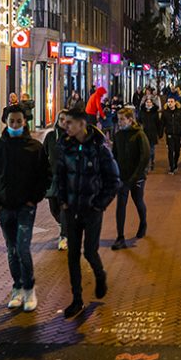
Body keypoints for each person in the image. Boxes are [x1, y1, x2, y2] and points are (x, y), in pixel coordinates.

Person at [51, 109, 121, 319]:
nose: (66, 126)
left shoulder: (99, 148)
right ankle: (77, 299)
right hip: (71, 210)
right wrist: (63, 201)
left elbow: (114, 180)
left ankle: (100, 276)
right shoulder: (65, 145)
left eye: (70, 123)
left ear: (82, 124)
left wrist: (99, 204)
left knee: (90, 252)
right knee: (73, 255)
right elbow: (60, 175)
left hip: (92, 210)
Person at [0, 105, 48, 312]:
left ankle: (29, 288)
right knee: (11, 250)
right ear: (5, 121)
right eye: (11, 121)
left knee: (22, 247)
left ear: (25, 122)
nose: (15, 125)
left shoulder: (35, 147)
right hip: (4, 206)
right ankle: (17, 287)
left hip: (25, 207)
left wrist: (33, 199)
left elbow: (44, 176)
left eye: (19, 121)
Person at [112, 107, 150, 250]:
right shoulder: (118, 136)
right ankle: (120, 237)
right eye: (118, 119)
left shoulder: (139, 135)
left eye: (122, 119)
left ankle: (143, 222)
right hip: (122, 177)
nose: (119, 122)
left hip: (137, 177)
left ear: (130, 119)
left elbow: (144, 157)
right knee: (120, 205)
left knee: (138, 201)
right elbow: (115, 155)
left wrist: (136, 176)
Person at [42, 111, 70, 251]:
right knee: (54, 209)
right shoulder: (51, 137)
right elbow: (43, 155)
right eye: (61, 119)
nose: (64, 122)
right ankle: (66, 225)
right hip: (52, 178)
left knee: (64, 207)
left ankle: (64, 236)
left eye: (66, 120)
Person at [161, 96, 181, 174]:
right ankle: (171, 167)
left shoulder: (180, 112)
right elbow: (162, 124)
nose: (170, 103)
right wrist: (161, 133)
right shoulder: (165, 112)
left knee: (177, 151)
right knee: (170, 151)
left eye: (171, 101)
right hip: (169, 135)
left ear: (175, 102)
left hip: (178, 135)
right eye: (168, 102)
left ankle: (175, 163)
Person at [139, 95, 161, 171]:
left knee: (151, 149)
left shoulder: (155, 112)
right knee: (144, 149)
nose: (148, 103)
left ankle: (151, 162)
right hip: (144, 133)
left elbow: (158, 123)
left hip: (152, 133)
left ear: (152, 103)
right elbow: (139, 121)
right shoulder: (142, 111)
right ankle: (146, 164)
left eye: (150, 102)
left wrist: (159, 133)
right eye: (147, 102)